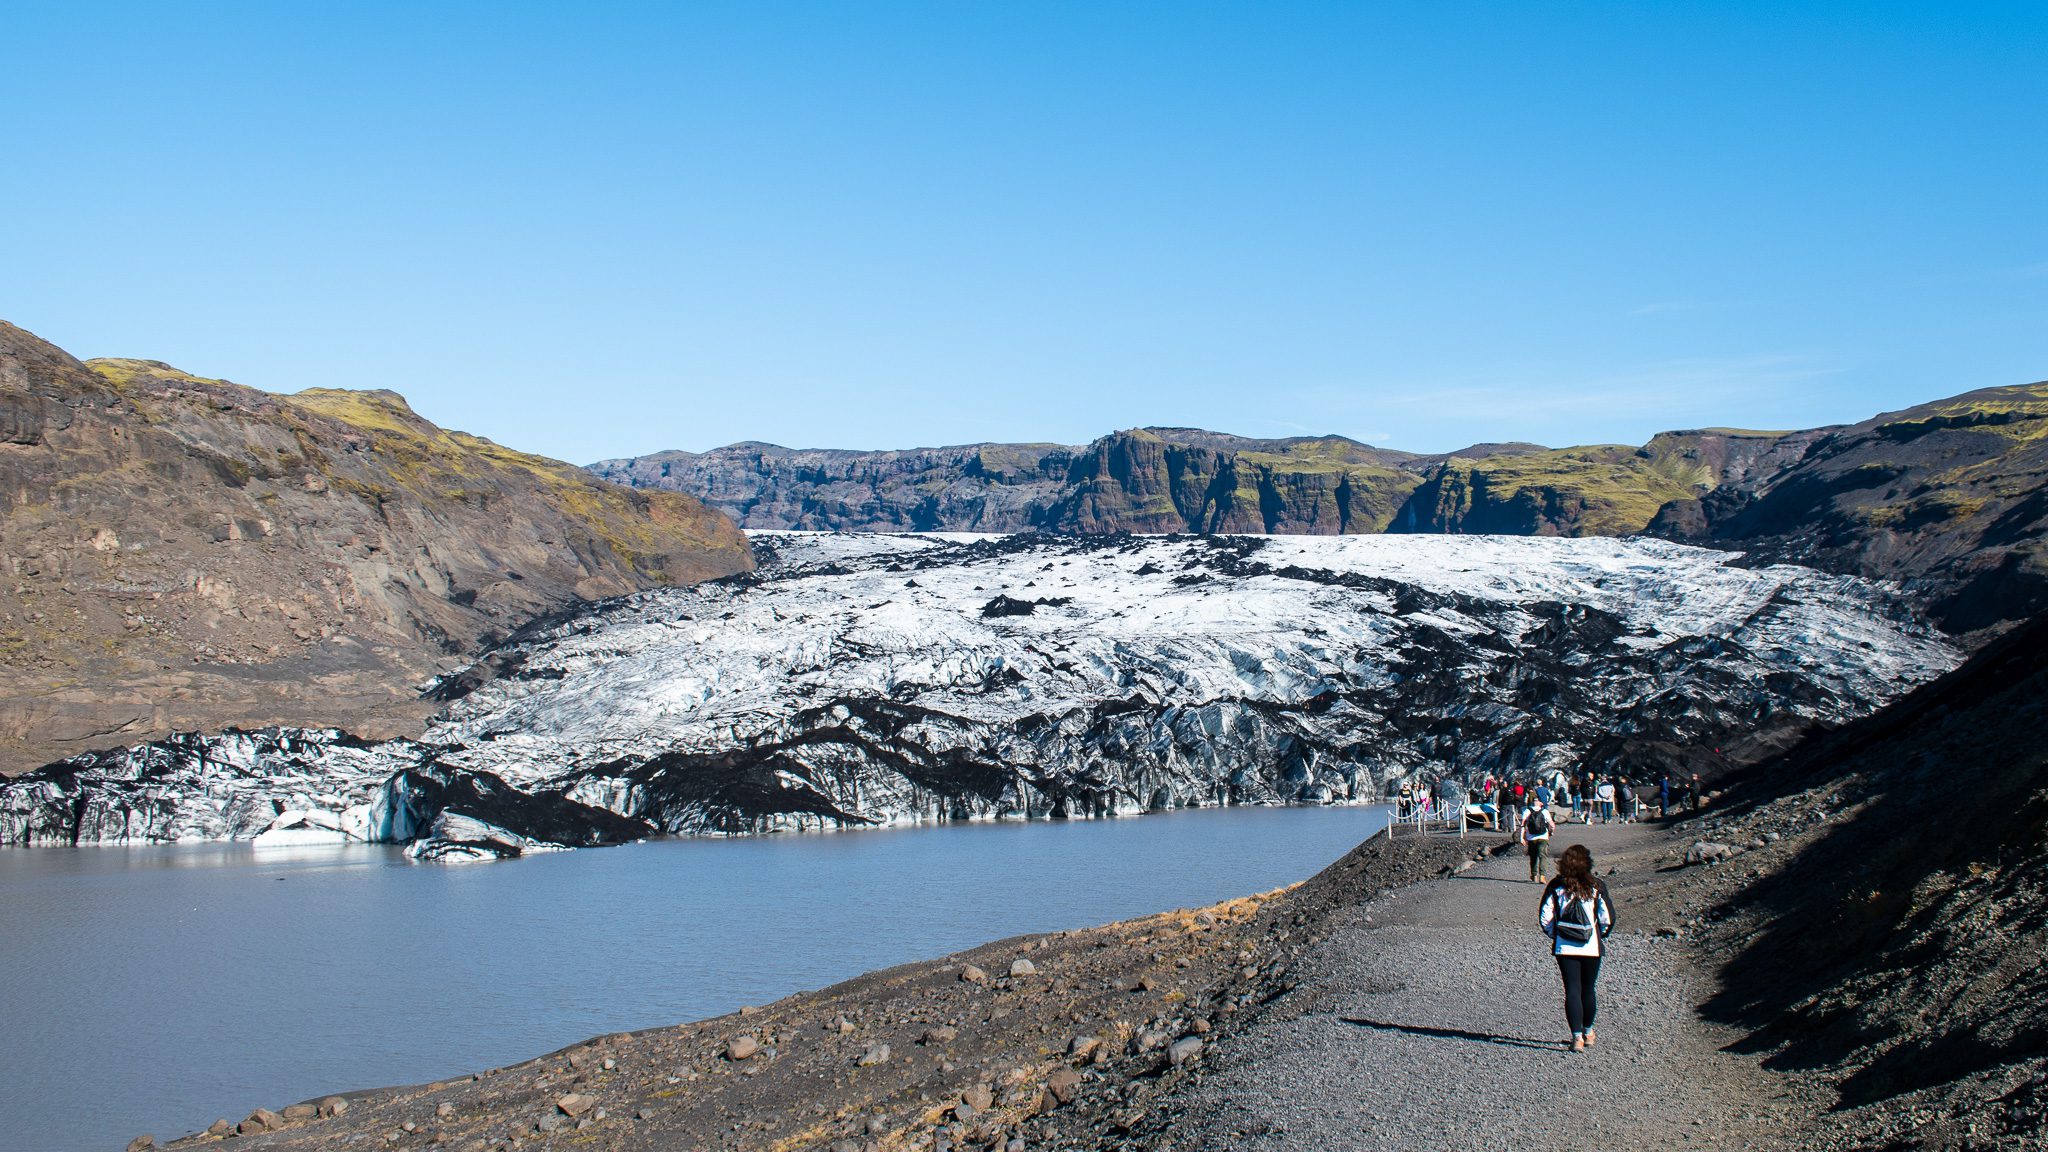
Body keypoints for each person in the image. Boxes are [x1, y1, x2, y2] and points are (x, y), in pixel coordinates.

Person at [1539, 843, 1615, 1051]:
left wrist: (1556, 935)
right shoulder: (1596, 886)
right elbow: (1607, 918)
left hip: (1565, 947)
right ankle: (1588, 1032)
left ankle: (1576, 1038)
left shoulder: (1556, 886)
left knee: (1572, 990)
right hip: (1591, 946)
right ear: (1587, 863)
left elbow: (1545, 917)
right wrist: (1601, 935)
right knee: (1588, 989)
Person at [1521, 797, 1554, 882]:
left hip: (1531, 837)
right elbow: (1552, 825)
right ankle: (1542, 876)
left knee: (1533, 857)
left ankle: (1534, 874)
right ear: (1541, 803)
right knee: (1543, 856)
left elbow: (1523, 825)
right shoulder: (1545, 811)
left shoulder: (1527, 811)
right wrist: (1551, 832)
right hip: (1543, 837)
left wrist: (1522, 837)